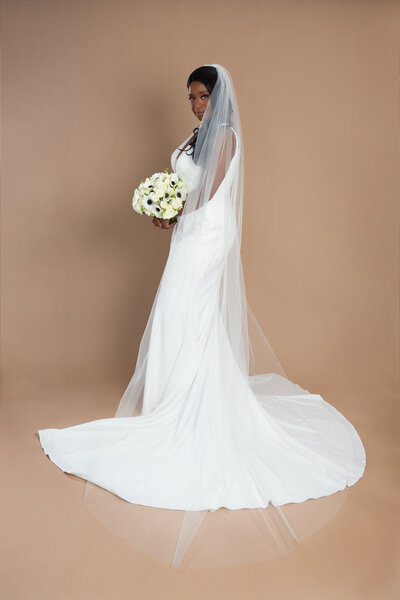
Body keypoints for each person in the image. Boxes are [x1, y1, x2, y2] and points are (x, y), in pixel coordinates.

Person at [37, 64, 366, 568]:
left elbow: (208, 195)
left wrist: (168, 210)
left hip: (206, 237)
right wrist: (165, 208)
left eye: (202, 97)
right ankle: (172, 399)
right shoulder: (198, 135)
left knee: (181, 311)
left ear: (219, 98)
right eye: (190, 97)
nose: (196, 105)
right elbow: (186, 185)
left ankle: (184, 407)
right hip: (189, 234)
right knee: (178, 315)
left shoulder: (226, 136)